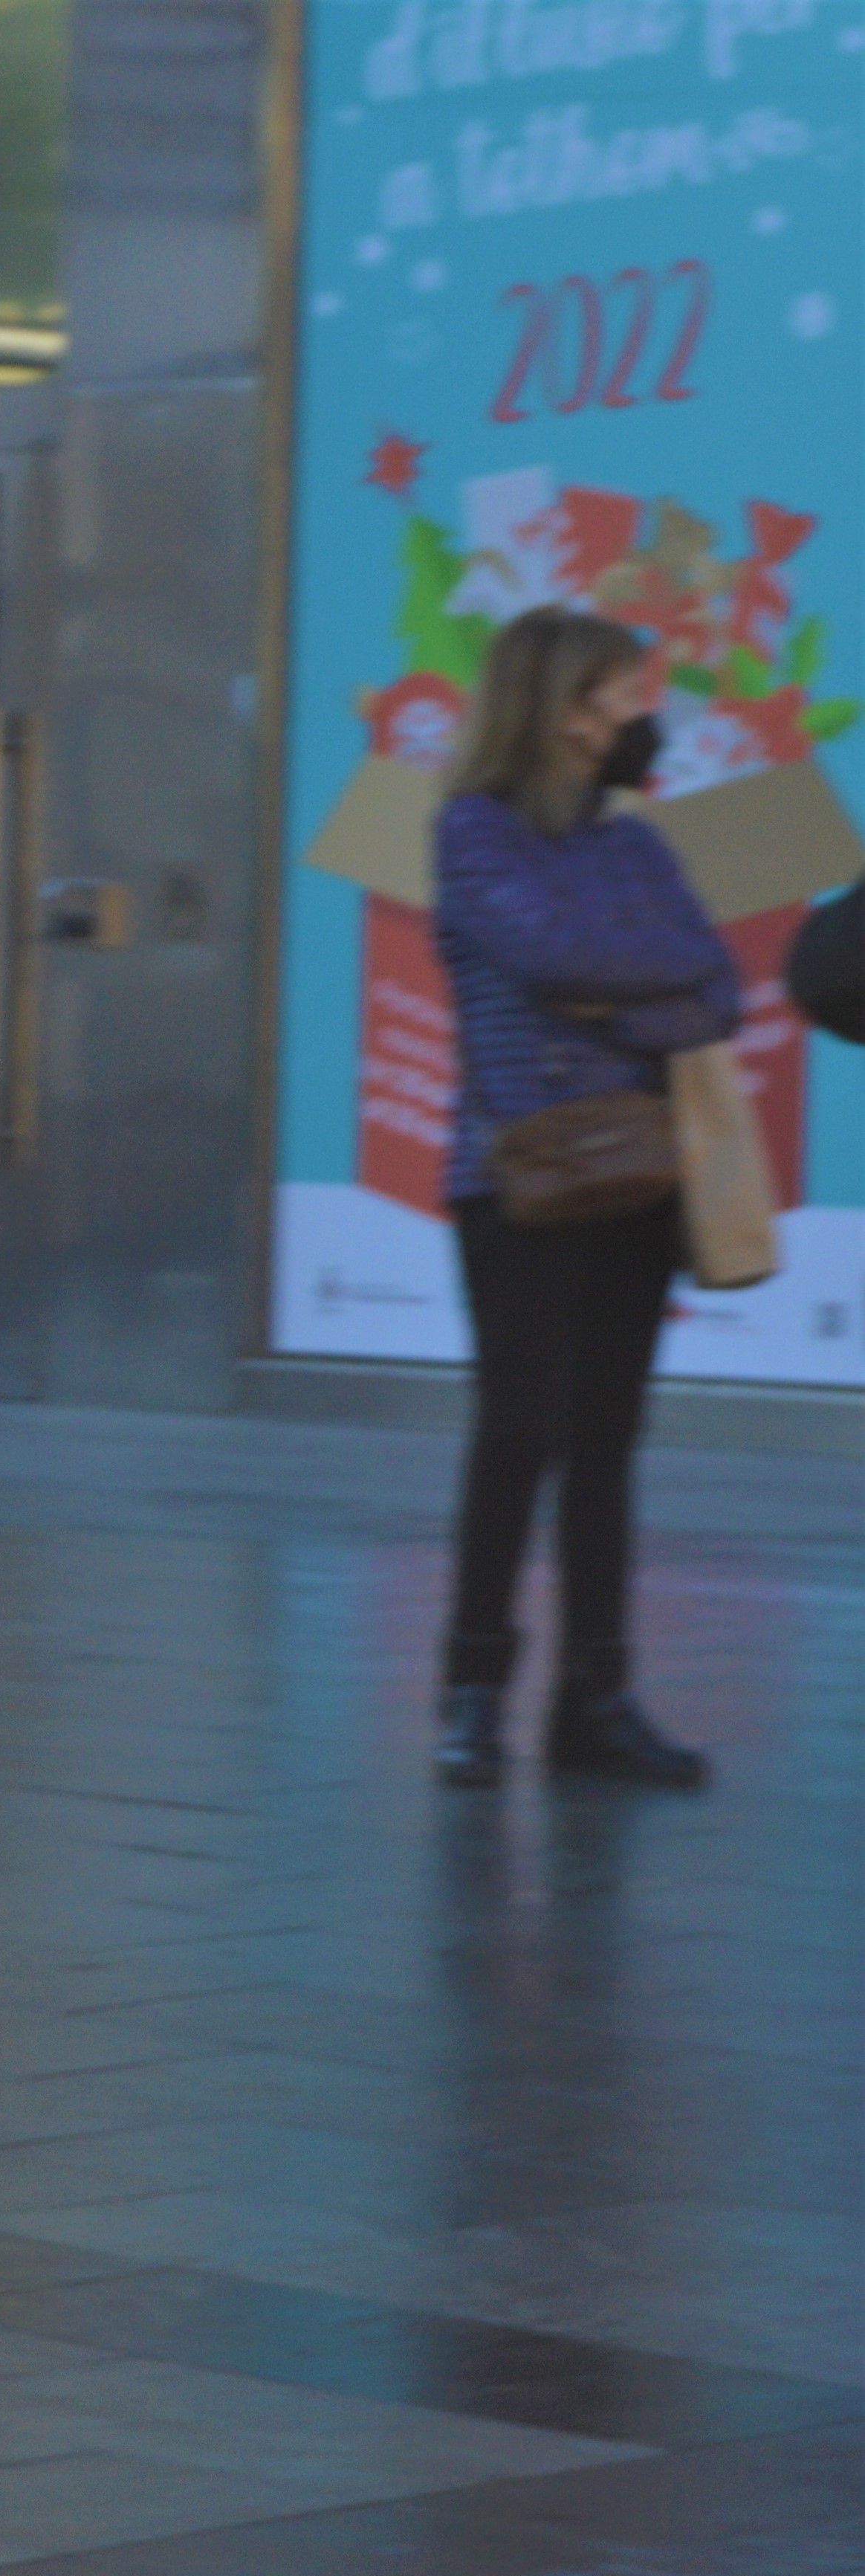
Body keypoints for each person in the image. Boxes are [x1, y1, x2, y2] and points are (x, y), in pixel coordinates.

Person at [426, 606, 736, 1791]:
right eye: (621, 693)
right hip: (521, 1180)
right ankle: (470, 1692)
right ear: (561, 712)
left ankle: (593, 1702)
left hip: (639, 1179)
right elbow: (554, 959)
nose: (640, 714)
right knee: (518, 1433)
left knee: (606, 1440)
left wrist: (620, 994)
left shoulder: (636, 846)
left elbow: (716, 991)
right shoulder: (473, 830)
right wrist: (626, 977)